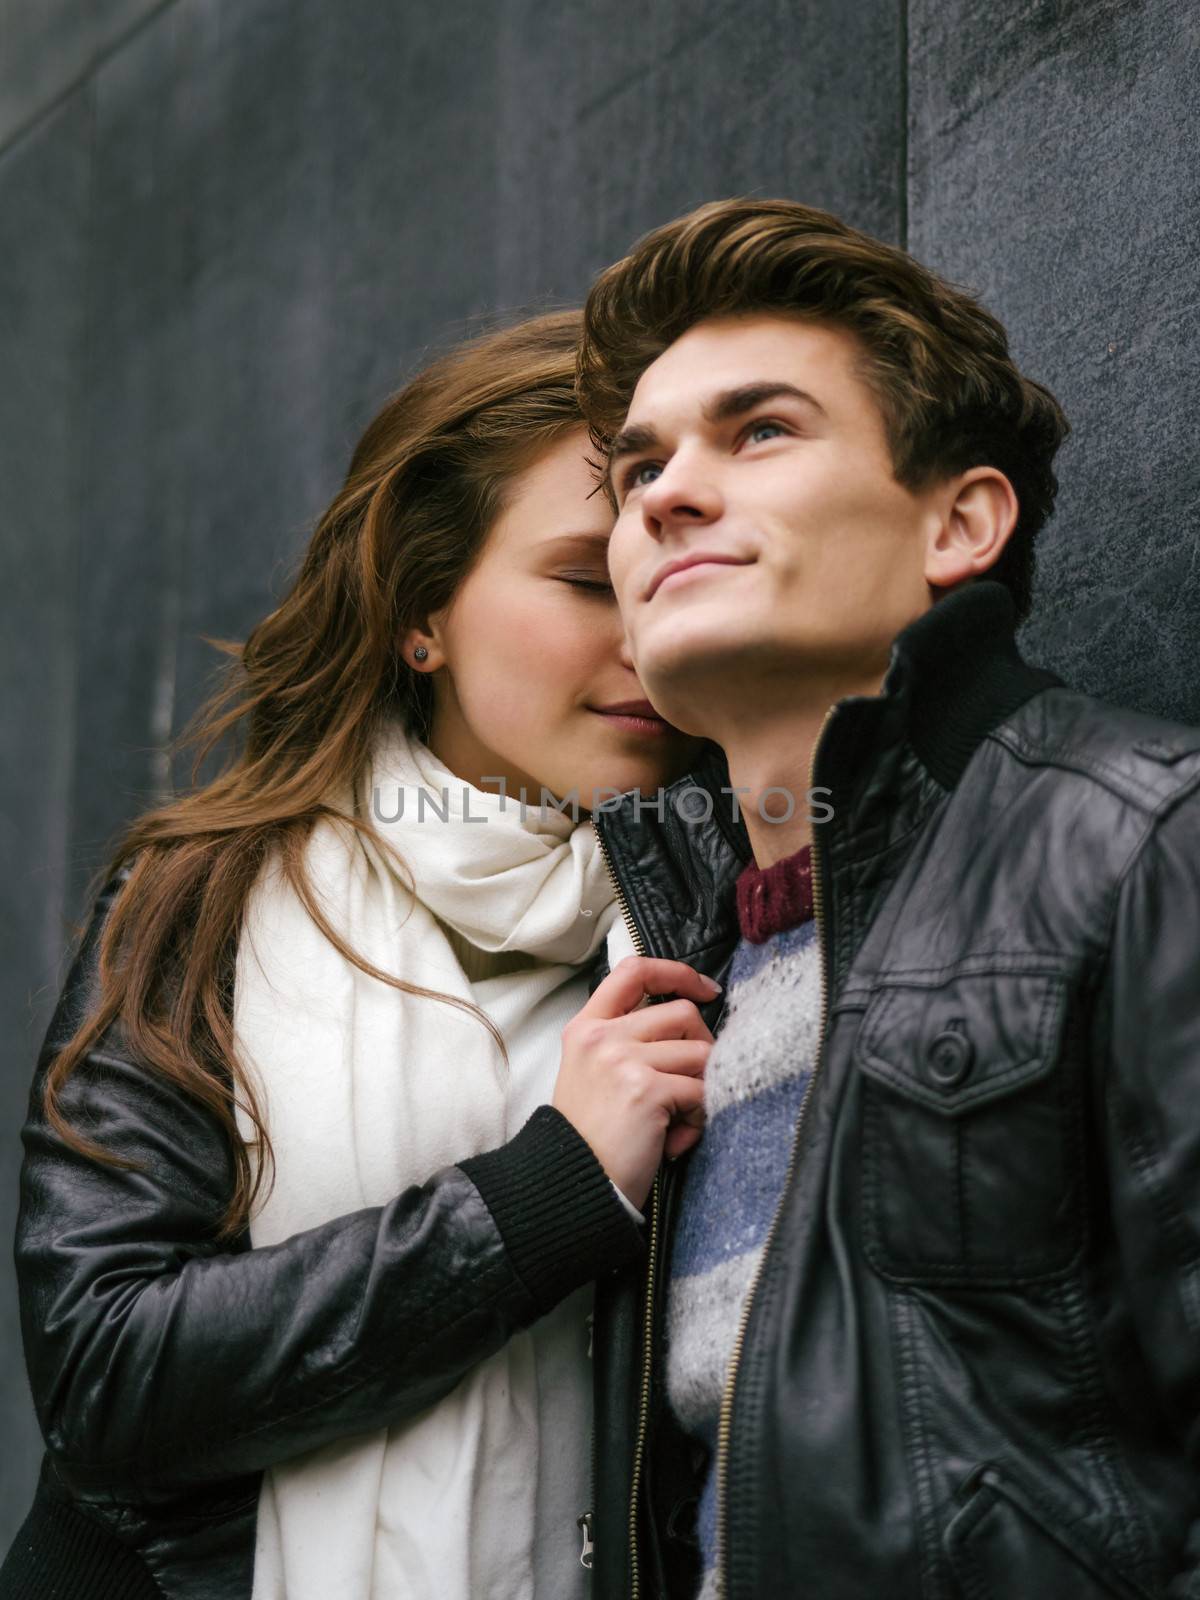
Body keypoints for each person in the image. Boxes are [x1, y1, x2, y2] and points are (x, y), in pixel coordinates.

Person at [1, 309, 724, 1600]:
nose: (643, 630)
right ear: (419, 615)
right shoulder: (206, 898)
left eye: (658, 572)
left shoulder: (721, 906)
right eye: (581, 580)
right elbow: (105, 1369)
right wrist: (549, 1193)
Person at [573, 198, 1200, 1599]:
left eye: (761, 431)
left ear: (959, 523)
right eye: (638, 470)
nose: (665, 492)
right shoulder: (664, 985)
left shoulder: (1144, 838)